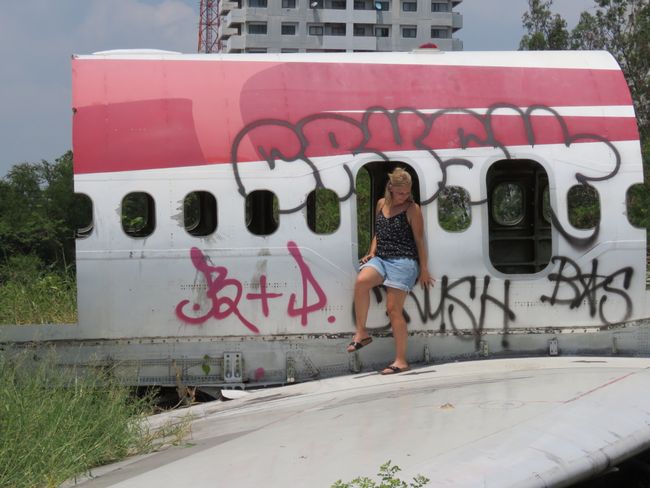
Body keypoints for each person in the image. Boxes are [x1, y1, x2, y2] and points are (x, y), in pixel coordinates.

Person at [347, 167, 434, 374]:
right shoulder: (381, 204)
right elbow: (380, 231)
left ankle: (401, 360)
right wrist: (371, 251)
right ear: (391, 188)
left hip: (403, 261)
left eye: (408, 192)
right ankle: (362, 333)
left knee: (393, 309)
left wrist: (423, 269)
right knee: (361, 283)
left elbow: (420, 240)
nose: (405, 196)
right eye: (401, 192)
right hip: (382, 258)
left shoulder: (413, 209)